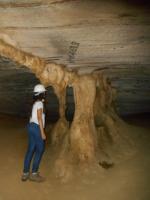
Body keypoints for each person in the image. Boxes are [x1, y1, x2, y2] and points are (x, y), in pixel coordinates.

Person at [21, 84, 47, 182]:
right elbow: (40, 118)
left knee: (31, 149)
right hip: (36, 127)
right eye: (44, 92)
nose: (45, 93)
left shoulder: (35, 103)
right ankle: (34, 173)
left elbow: (32, 117)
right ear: (41, 93)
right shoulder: (40, 103)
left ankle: (25, 173)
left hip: (31, 126)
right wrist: (42, 132)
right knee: (40, 150)